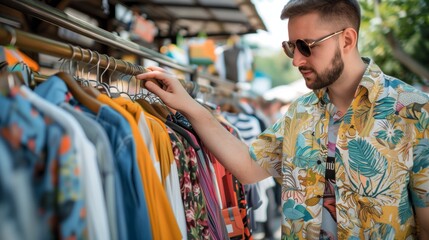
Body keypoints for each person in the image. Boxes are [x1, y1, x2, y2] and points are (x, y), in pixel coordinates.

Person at [136, 0, 429, 239]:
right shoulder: (299, 113)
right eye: (290, 47)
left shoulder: (413, 112)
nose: (296, 60)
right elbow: (250, 168)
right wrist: (189, 106)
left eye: (306, 46)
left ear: (347, 39)